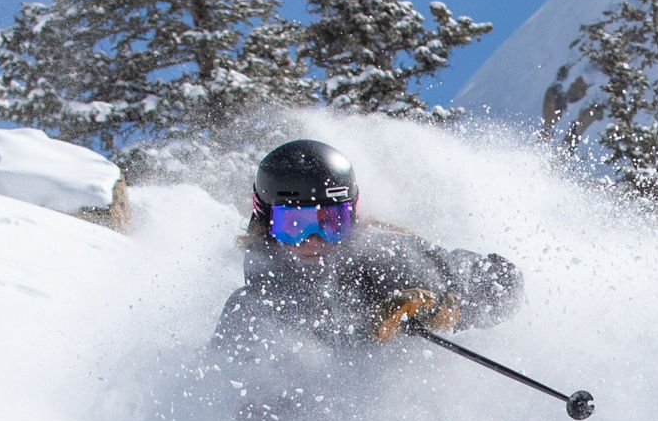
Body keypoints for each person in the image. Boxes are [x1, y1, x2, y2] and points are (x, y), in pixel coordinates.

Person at [214, 139, 522, 348]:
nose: (313, 239)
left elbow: (504, 281)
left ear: (353, 214)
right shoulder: (250, 311)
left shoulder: (388, 257)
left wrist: (452, 301)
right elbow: (219, 402)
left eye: (331, 222)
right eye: (293, 225)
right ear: (265, 223)